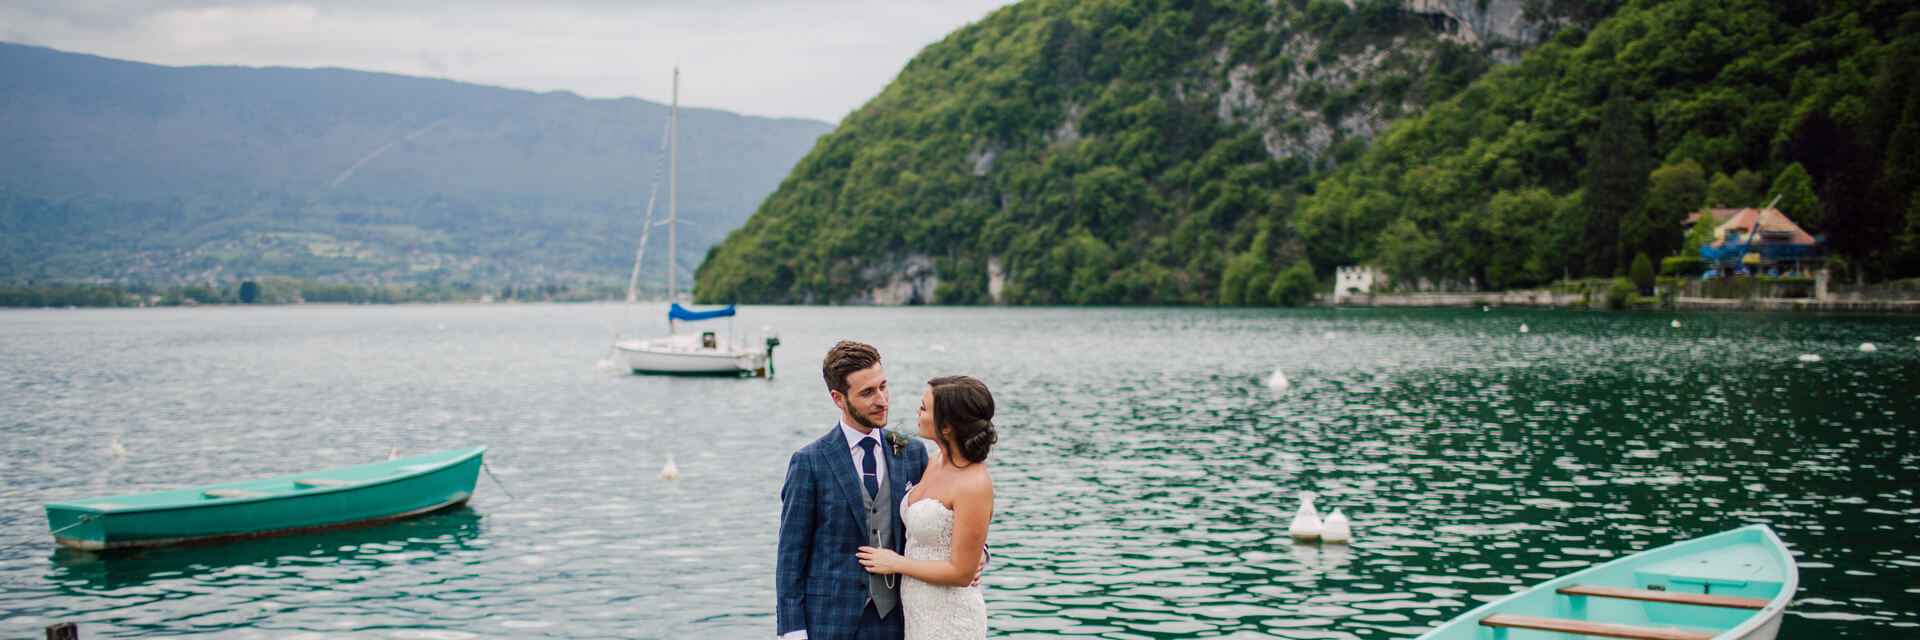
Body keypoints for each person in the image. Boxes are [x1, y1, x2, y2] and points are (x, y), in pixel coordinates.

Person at [776, 341, 930, 640]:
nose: (882, 400)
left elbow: (939, 515)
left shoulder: (912, 452)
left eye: (883, 386)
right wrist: (792, 631)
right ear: (838, 398)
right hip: (830, 622)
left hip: (899, 620)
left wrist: (977, 553)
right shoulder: (809, 461)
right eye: (867, 393)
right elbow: (790, 556)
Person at [855, 375, 996, 640]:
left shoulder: (974, 483)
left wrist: (896, 563)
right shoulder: (931, 460)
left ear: (947, 427)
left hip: (951, 616)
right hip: (917, 612)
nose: (916, 412)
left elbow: (962, 573)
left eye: (924, 408)